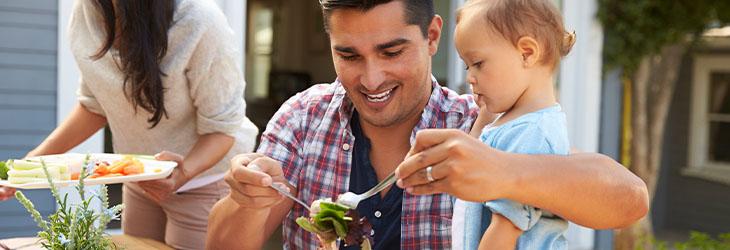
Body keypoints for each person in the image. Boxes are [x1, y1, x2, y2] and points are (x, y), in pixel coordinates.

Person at [207, 0, 649, 249]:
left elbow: (628, 200)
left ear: (432, 37)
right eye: (349, 55)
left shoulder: (479, 127)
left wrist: (505, 172)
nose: (372, 78)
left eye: (391, 51)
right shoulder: (303, 119)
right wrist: (247, 201)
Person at [22, 0, 258, 249]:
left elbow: (222, 128)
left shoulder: (199, 20)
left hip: (205, 180)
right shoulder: (87, 12)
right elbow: (94, 106)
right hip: (142, 178)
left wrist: (183, 173)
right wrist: (29, 164)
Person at [404, 0, 577, 248]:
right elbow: (471, 163)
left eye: (478, 64)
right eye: (467, 65)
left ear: (526, 53)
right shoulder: (510, 121)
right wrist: (485, 117)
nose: (469, 77)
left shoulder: (534, 134)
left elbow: (505, 229)